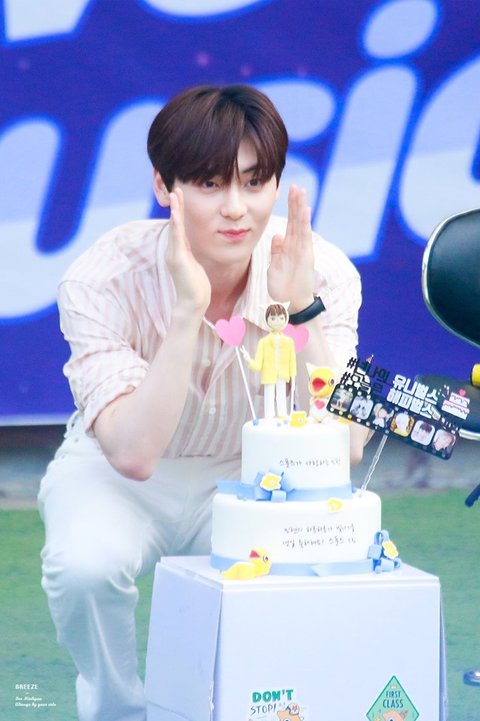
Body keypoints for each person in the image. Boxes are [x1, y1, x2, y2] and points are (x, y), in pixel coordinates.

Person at [38, 84, 370, 721]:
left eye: (254, 181)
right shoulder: (101, 278)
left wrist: (302, 310)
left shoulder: (323, 272)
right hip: (117, 475)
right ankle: (116, 709)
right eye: (211, 184)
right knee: (84, 567)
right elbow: (133, 455)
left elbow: (348, 448)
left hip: (251, 475)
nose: (237, 209)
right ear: (164, 186)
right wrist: (188, 312)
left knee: (290, 597)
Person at [241, 302, 296, 418]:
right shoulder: (263, 342)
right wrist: (249, 359)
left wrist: (293, 373)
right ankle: (269, 415)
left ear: (285, 318)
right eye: (273, 318)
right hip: (268, 374)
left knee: (281, 394)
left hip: (282, 374)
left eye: (281, 318)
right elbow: (258, 363)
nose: (277, 322)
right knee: (269, 395)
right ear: (267, 320)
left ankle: (282, 414)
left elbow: (292, 360)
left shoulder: (289, 342)